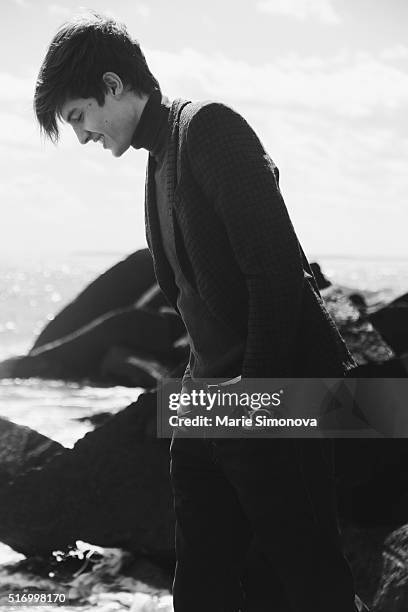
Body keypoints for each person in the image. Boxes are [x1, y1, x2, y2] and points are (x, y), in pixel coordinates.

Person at [34, 12, 369, 612]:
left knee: (308, 577)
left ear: (113, 86)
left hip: (272, 401)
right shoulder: (156, 160)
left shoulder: (210, 130)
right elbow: (194, 297)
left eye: (79, 117)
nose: (82, 137)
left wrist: (254, 403)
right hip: (208, 404)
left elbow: (275, 274)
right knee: (202, 582)